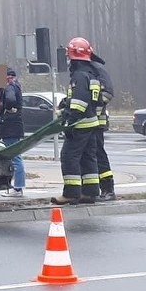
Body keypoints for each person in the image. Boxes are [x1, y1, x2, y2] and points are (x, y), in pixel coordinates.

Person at [51, 37, 101, 205]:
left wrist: (69, 121)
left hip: (80, 125)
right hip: (92, 123)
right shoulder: (91, 74)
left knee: (69, 157)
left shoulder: (79, 76)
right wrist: (66, 102)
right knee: (88, 158)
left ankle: (71, 193)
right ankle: (90, 192)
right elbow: (93, 99)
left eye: (68, 56)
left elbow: (80, 101)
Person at [0, 68, 26, 198]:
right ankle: (17, 186)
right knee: (15, 157)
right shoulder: (15, 85)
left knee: (15, 158)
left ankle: (18, 188)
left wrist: (7, 109)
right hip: (12, 127)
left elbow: (11, 101)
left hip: (9, 127)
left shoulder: (9, 87)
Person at [91, 53, 116, 201]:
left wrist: (91, 105)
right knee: (89, 156)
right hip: (87, 121)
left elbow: (107, 94)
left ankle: (108, 188)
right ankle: (91, 190)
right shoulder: (85, 71)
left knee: (98, 154)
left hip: (96, 122)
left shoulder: (97, 69)